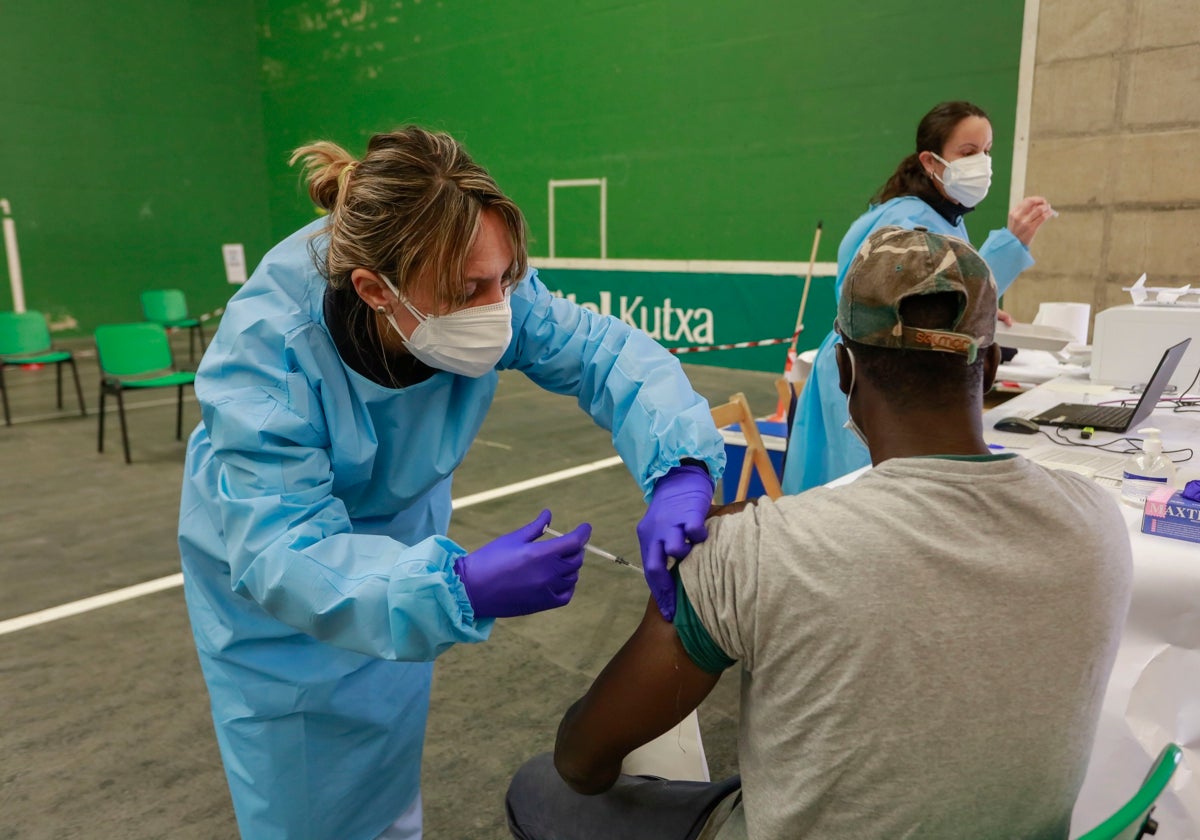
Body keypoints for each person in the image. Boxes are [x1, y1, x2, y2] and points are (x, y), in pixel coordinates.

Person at [177, 126, 726, 840]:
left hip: (401, 541)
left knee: (386, 750)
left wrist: (680, 466)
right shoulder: (266, 358)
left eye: (506, 279)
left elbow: (603, 353)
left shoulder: (477, 282)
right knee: (306, 792)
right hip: (275, 594)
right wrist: (455, 587)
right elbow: (282, 551)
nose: (499, 307)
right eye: (472, 289)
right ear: (375, 289)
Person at [506, 227, 1133, 840]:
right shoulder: (1100, 520)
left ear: (842, 370)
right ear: (992, 364)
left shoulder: (751, 555)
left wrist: (711, 572)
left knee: (540, 789)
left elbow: (582, 762)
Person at [782, 100, 1056, 493]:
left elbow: (943, 295)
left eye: (987, 151)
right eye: (968, 152)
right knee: (863, 498)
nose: (982, 163)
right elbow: (894, 303)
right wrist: (1009, 246)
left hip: (889, 374)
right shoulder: (907, 220)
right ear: (931, 161)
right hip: (874, 376)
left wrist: (981, 311)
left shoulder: (939, 218)